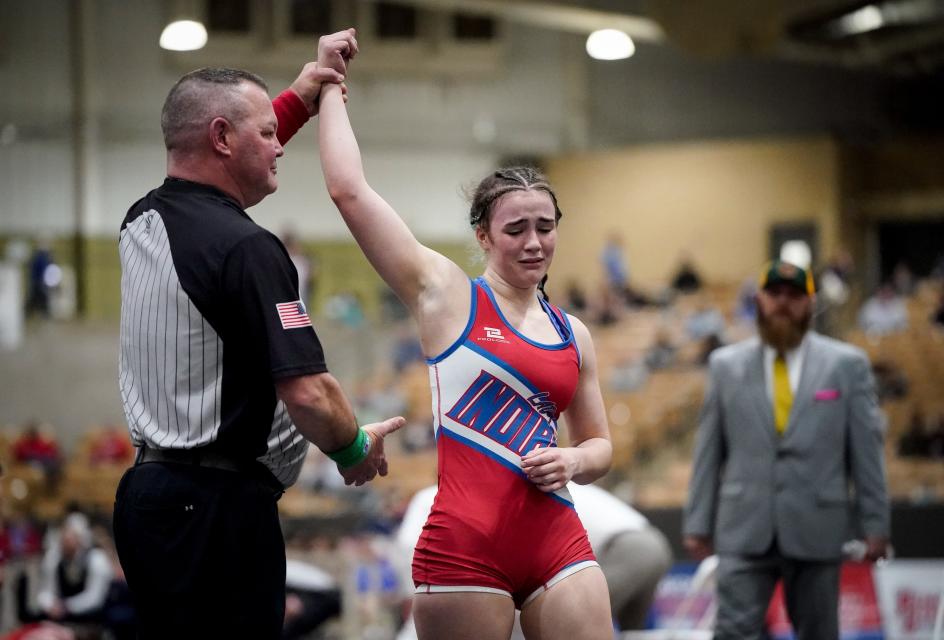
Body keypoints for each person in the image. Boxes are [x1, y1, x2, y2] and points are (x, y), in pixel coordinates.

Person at [315, 30, 614, 640]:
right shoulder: (446, 296)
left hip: (557, 540)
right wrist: (328, 88)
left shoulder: (572, 331)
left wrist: (575, 458)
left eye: (545, 226)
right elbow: (349, 191)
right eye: (516, 229)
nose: (534, 242)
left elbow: (601, 444)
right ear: (483, 236)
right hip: (464, 549)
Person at [112, 39, 404, 640]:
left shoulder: (141, 220)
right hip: (216, 510)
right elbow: (311, 395)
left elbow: (216, 156)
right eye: (268, 134)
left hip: (150, 499)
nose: (279, 146)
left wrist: (302, 95)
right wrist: (353, 449)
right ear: (221, 138)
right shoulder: (248, 248)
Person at [683, 259, 890, 640]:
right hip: (743, 528)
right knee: (732, 632)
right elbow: (708, 451)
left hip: (818, 529)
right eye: (774, 293)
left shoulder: (847, 366)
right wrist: (698, 522)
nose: (783, 302)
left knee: (819, 633)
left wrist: (876, 524)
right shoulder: (725, 366)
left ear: (810, 302)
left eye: (794, 295)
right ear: (759, 299)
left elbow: (866, 452)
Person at [393, 483, 671, 638]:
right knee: (630, 633)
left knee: (568, 624)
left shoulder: (531, 495)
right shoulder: (551, 486)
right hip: (656, 545)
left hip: (627, 549)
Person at [18, 513, 113, 626]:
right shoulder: (54, 558)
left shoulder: (96, 559)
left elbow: (94, 598)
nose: (66, 542)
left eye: (72, 537)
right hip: (60, 614)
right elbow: (46, 591)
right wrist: (51, 605)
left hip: (89, 617)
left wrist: (67, 606)